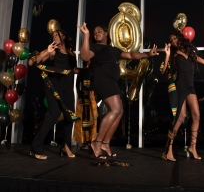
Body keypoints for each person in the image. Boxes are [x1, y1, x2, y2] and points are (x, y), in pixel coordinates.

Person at [77, 22, 159, 159]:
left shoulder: (113, 49)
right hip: (102, 79)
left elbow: (131, 56)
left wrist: (148, 55)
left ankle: (105, 143)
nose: (96, 33)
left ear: (106, 33)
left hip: (112, 81)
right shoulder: (94, 47)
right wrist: (86, 35)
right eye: (94, 32)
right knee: (115, 109)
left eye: (99, 31)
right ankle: (97, 143)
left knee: (119, 111)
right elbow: (85, 57)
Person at [161, 32, 204, 161]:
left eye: (174, 38)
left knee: (196, 115)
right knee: (180, 117)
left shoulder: (189, 52)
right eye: (171, 40)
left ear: (180, 38)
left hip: (190, 86)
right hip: (179, 86)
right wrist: (167, 55)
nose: (173, 41)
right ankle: (169, 149)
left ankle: (192, 147)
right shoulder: (173, 54)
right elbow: (163, 71)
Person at [28, 29, 79, 159]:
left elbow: (74, 70)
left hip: (67, 87)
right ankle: (36, 147)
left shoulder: (72, 54)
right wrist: (47, 51)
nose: (55, 36)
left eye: (57, 34)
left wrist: (89, 68)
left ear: (64, 36)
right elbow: (32, 62)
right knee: (54, 113)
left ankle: (66, 146)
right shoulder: (52, 51)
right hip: (53, 85)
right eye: (53, 35)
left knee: (70, 115)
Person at [73, 60, 98, 151]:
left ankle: (90, 140)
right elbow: (76, 85)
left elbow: (95, 85)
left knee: (93, 118)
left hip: (91, 97)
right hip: (83, 97)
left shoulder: (94, 71)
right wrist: (80, 95)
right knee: (82, 119)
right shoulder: (82, 71)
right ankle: (80, 142)